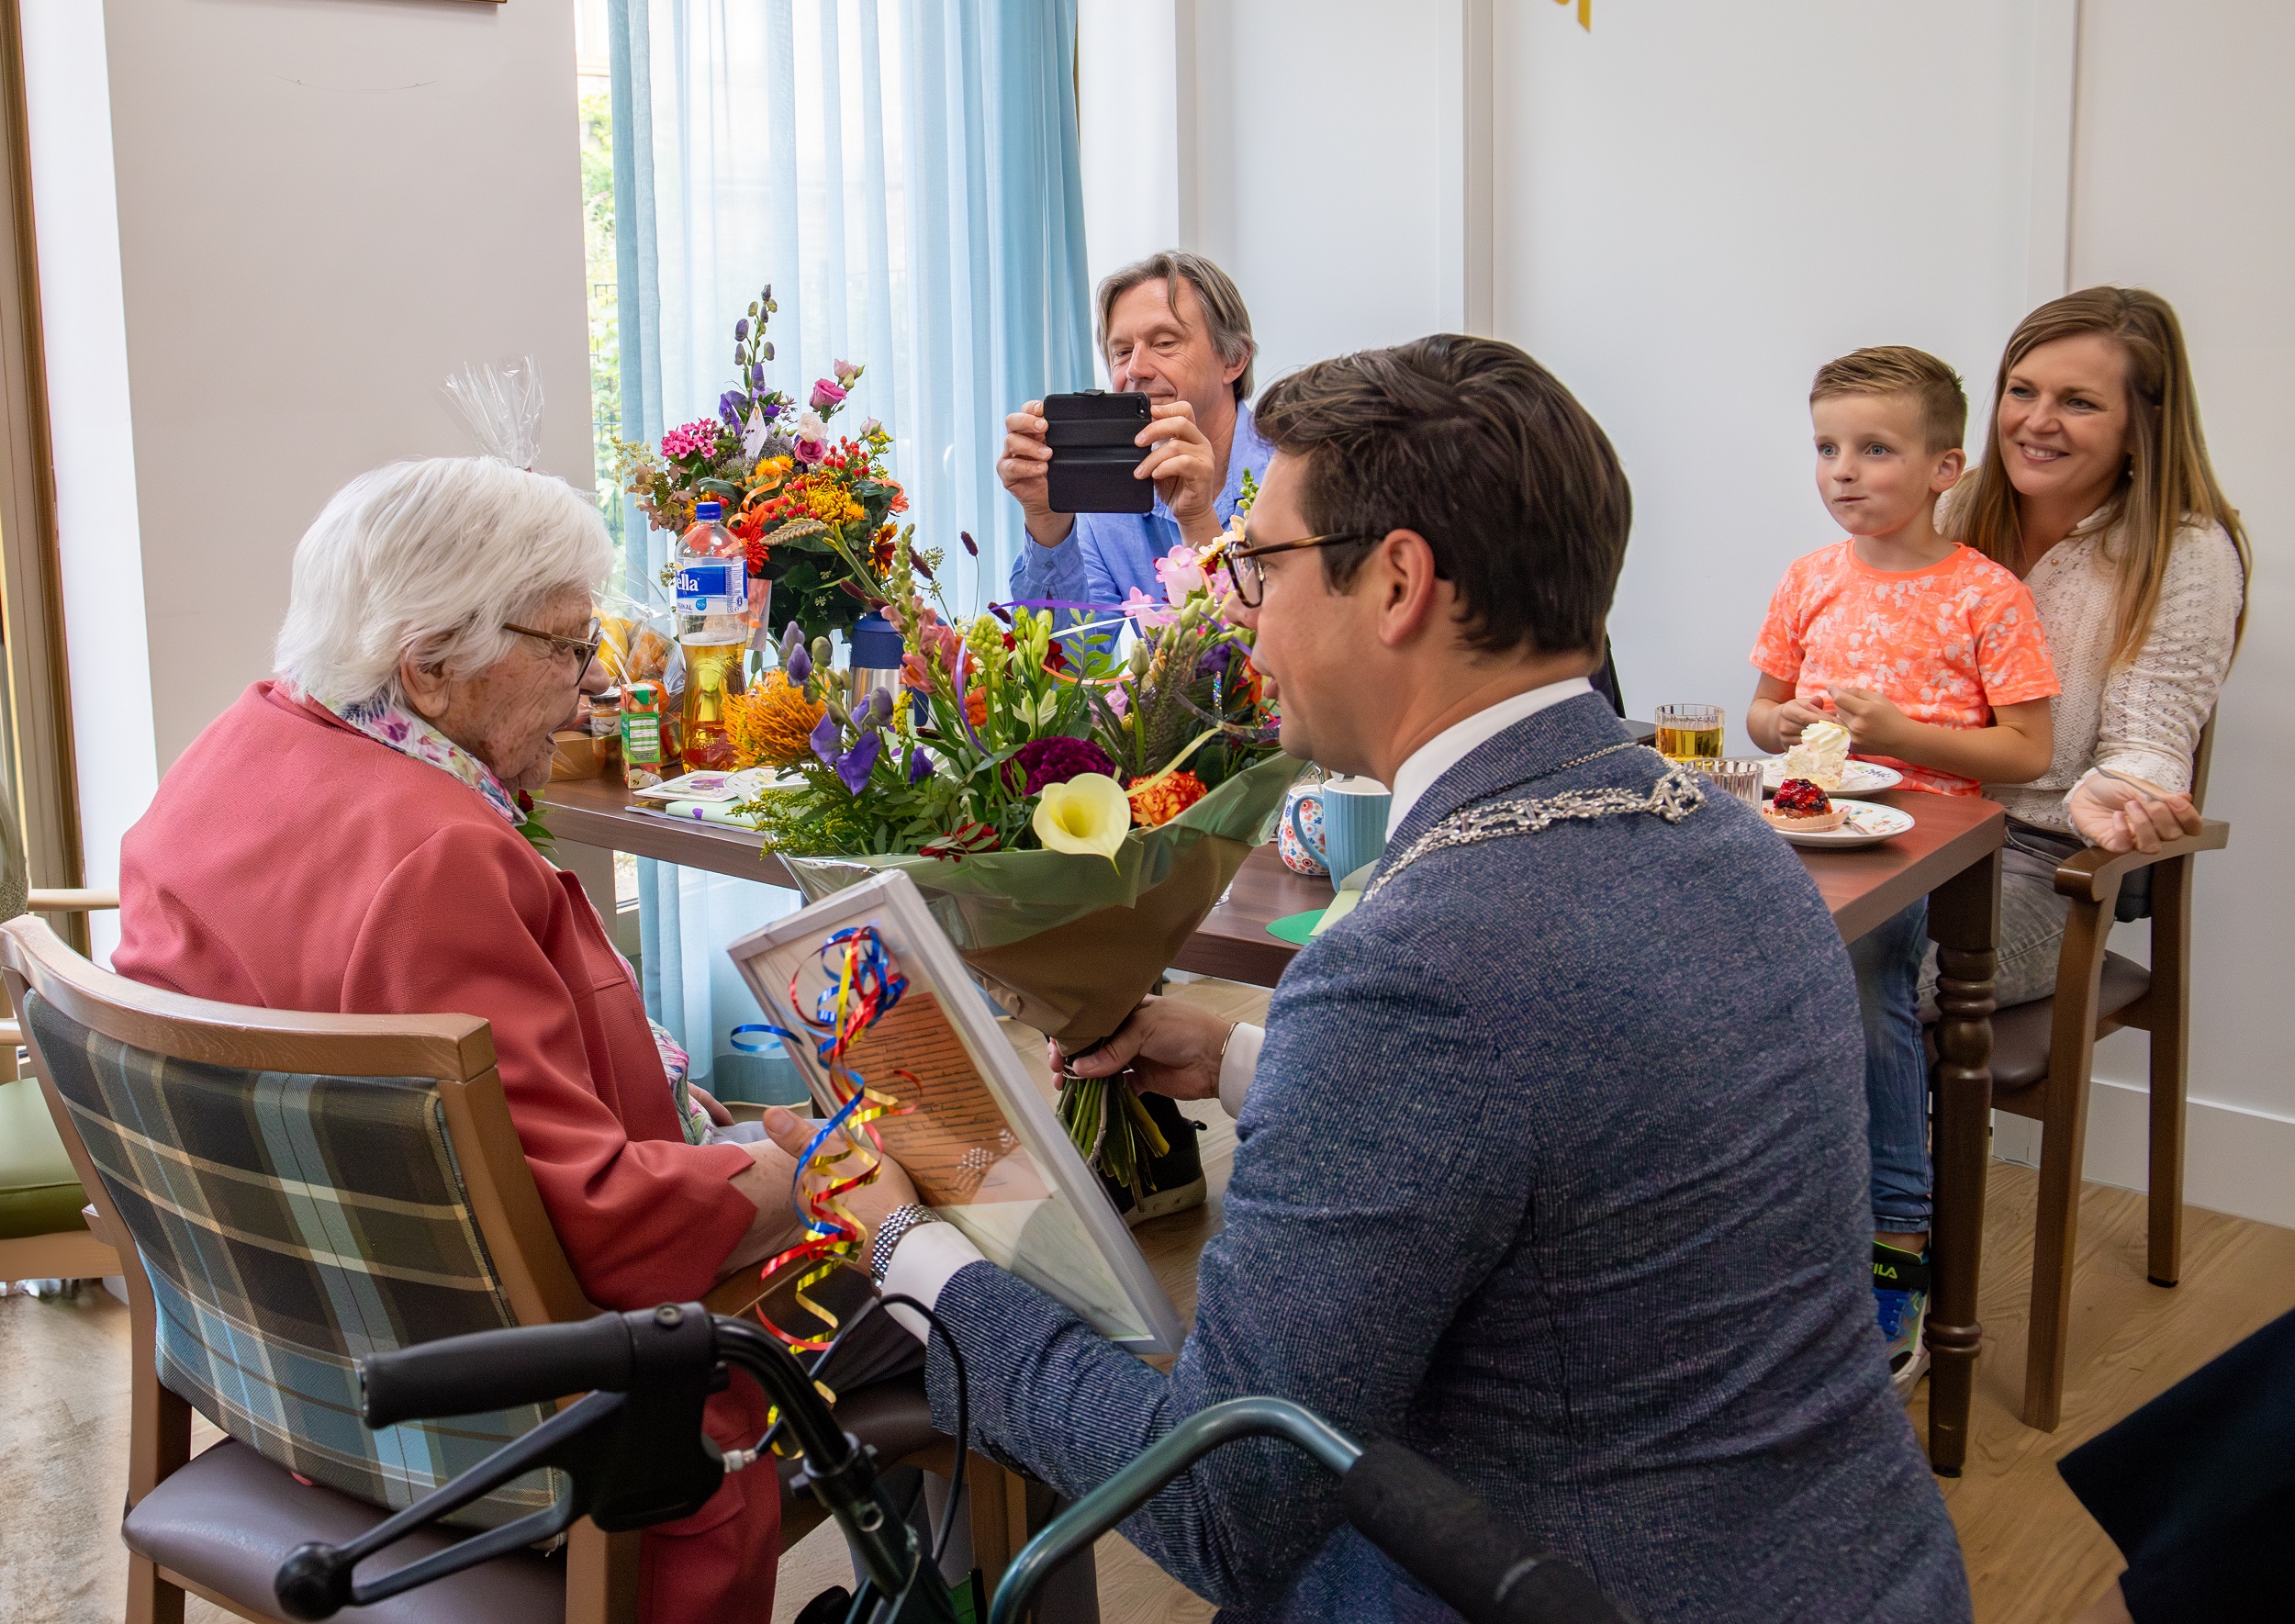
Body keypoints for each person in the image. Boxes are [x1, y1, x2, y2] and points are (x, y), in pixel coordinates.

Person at [810, 335, 1971, 1621]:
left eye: (1259, 561)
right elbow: (1576, 1140)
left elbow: (1223, 1505)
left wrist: (913, 1252)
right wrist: (1251, 1059)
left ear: (1400, 580)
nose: (1237, 604)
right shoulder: (1733, 839)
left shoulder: (1417, 965)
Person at [110, 458, 839, 1624]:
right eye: (564, 645)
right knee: (944, 1274)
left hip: (287, 1371)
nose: (594, 682)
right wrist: (804, 1175)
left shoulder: (226, 760)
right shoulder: (440, 857)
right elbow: (601, 1221)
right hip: (503, 1428)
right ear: (430, 663)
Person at [1745, 345, 2060, 1393]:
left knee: (1872, 973)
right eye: (1828, 447)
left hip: (1935, 852)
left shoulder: (1987, 596)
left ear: (1943, 467)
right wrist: (1781, 718)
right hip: (1814, 832)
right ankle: (1769, 1227)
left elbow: (2025, 752)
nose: (1843, 470)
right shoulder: (1807, 578)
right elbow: (1761, 708)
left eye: (1875, 448)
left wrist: (1905, 727)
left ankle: (1896, 1245)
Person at [1944, 286, 2248, 980]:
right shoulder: (1955, 504)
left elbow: (2149, 744)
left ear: (2144, 422)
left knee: (1843, 974)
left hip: (2045, 862)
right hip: (1914, 828)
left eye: (2078, 402)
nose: (2036, 422)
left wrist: (2120, 793)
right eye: (2022, 391)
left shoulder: (2185, 553)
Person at [1000, 250, 1269, 616]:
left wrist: (1196, 520)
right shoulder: (1108, 494)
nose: (1136, 369)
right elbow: (1066, 663)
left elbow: (1274, 656)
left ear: (1234, 359)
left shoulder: (1298, 475)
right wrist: (1047, 522)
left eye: (1165, 343)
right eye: (1122, 352)